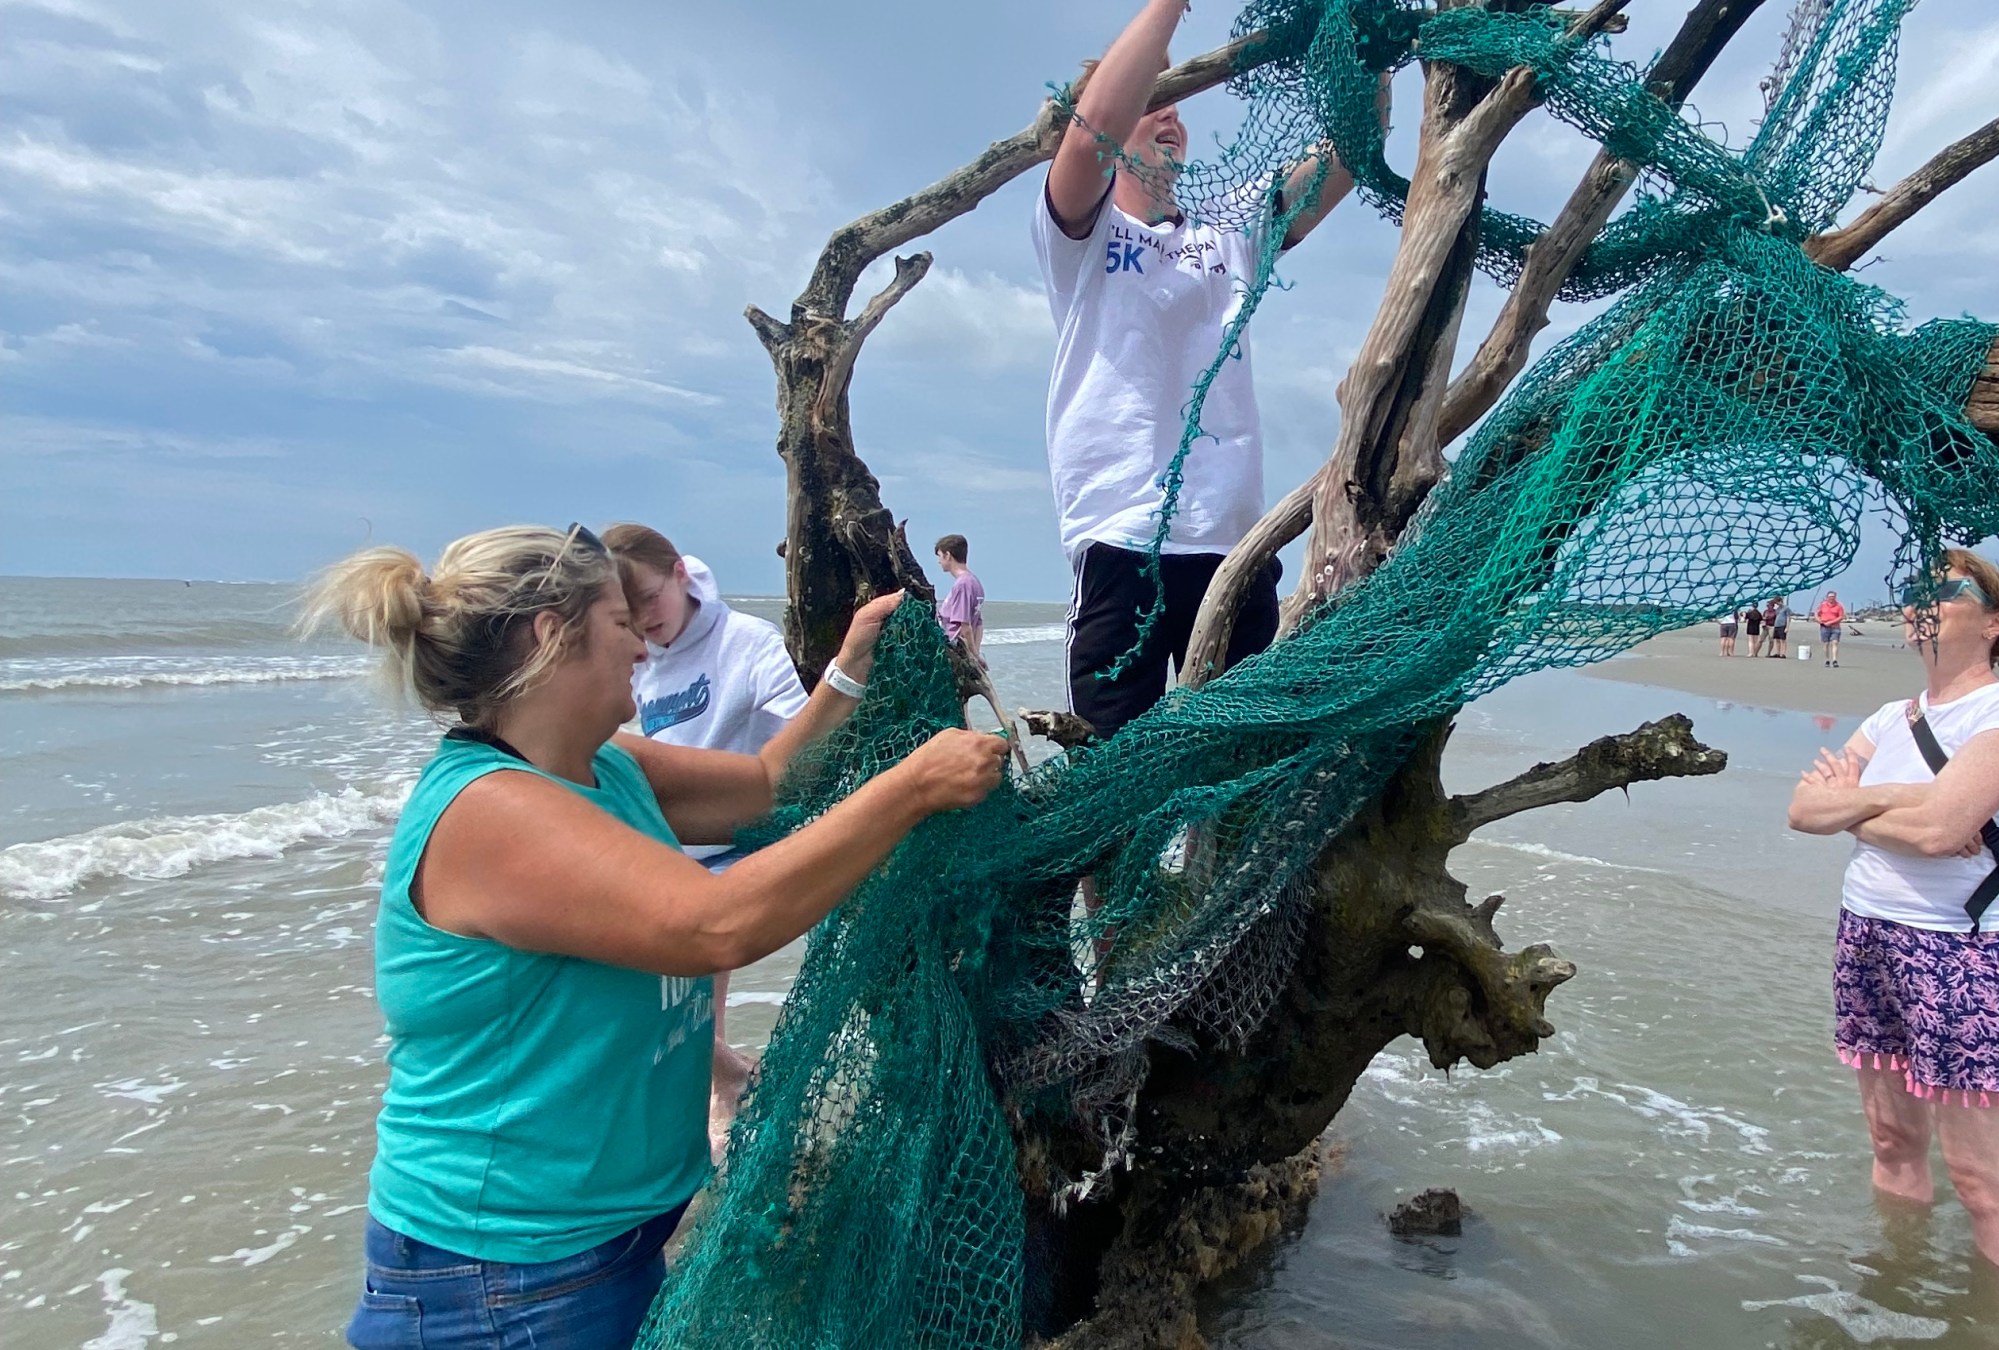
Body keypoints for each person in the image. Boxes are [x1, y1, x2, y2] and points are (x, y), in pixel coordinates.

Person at [310, 525, 1006, 1350]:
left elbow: (770, 785)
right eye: (619, 623)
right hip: (500, 1274)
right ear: (551, 637)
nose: (642, 648)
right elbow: (716, 924)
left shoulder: (604, 766)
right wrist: (912, 789)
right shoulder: (488, 811)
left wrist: (848, 666)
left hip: (596, 1248)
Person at [1037, 0, 1360, 739]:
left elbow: (1347, 154)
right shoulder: (1080, 233)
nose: (1171, 115)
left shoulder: (1230, 230)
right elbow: (1092, 132)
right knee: (1111, 772)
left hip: (1234, 542)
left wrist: (1366, 47)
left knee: (1246, 767)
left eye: (1180, 105)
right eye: (1153, 100)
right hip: (1121, 540)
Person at [1786, 549, 1999, 1277]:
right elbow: (1803, 810)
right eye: (1914, 590)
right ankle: (1895, 1288)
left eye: (1945, 591)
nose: (1921, 602)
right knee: (1892, 1142)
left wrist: (1857, 803)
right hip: (1867, 930)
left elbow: (1940, 834)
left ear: (1995, 622)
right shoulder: (1891, 718)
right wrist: (1896, 798)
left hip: (1963, 949)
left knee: (1980, 1178)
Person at [602, 522, 811, 1159]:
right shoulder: (641, 659)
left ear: (681, 575)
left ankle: (723, 1091)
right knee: (647, 995)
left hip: (736, 846)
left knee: (683, 992)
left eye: (651, 600)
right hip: (667, 847)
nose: (645, 622)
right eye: (628, 613)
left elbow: (802, 728)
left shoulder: (745, 641)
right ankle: (727, 1078)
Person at [935, 533, 986, 670]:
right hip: (963, 652)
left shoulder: (962, 585)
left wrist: (974, 657)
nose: (939, 561)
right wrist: (976, 651)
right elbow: (978, 624)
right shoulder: (975, 582)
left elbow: (965, 626)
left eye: (940, 556)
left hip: (954, 652)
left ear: (948, 555)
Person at [1817, 590, 1848, 666]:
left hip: (1835, 627)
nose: (1831, 598)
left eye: (1833, 597)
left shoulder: (1839, 606)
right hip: (1824, 626)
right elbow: (1817, 613)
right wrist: (1819, 620)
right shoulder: (1823, 605)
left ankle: (1834, 660)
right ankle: (1827, 660)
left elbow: (1841, 616)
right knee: (1826, 643)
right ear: (1827, 597)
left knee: (1835, 642)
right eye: (1830, 597)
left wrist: (1831, 622)